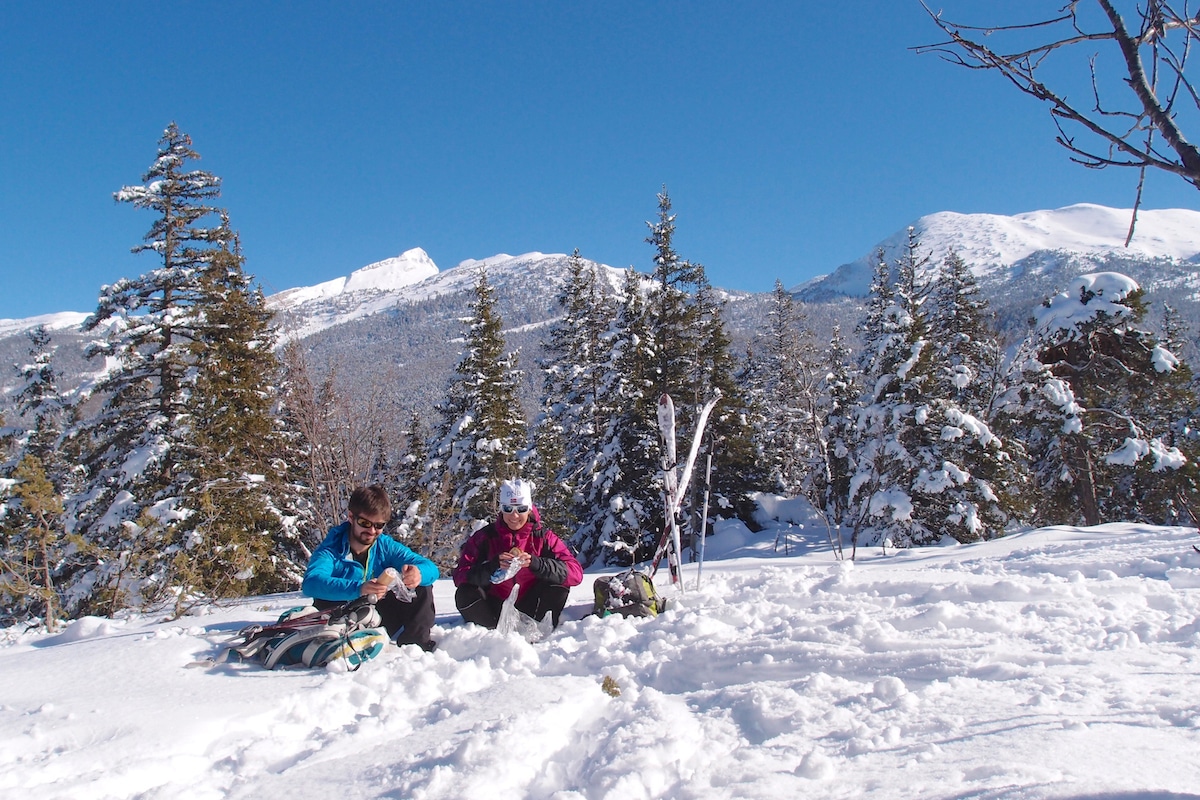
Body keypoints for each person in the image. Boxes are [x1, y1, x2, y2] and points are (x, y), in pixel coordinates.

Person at [302, 484, 440, 652]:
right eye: (364, 523)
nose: (372, 530)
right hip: (341, 618)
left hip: (377, 615)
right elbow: (311, 582)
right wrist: (358, 589)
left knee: (422, 586)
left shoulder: (385, 546)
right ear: (351, 517)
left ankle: (414, 650)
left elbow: (430, 567)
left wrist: (418, 573)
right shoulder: (331, 549)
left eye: (379, 525)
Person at [453, 478, 583, 629]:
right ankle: (491, 632)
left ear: (529, 509)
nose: (514, 516)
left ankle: (539, 629)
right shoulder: (485, 537)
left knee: (559, 583)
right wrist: (492, 567)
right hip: (494, 607)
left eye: (520, 509)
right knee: (464, 593)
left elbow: (575, 573)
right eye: (508, 509)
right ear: (501, 510)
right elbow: (460, 575)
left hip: (532, 605)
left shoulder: (543, 537)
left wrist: (537, 564)